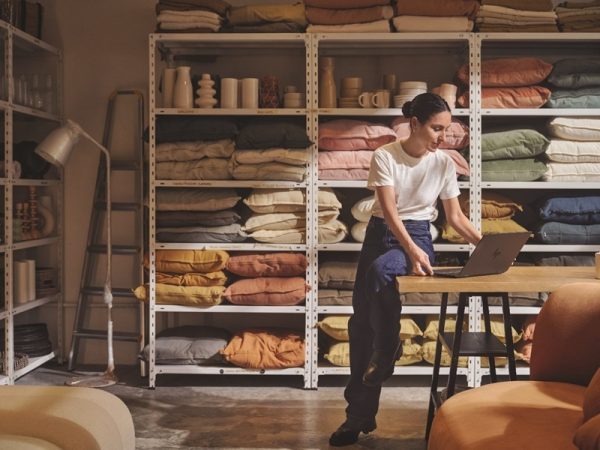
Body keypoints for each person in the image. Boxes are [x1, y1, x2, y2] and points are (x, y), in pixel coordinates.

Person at [329, 93, 482, 447]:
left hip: (417, 234)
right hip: (382, 232)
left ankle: (388, 345)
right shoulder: (386, 155)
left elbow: (455, 217)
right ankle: (358, 417)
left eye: (447, 129)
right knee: (359, 326)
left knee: (382, 273)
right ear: (414, 124)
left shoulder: (443, 163)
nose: (442, 136)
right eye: (436, 128)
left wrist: (486, 245)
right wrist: (409, 249)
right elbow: (389, 210)